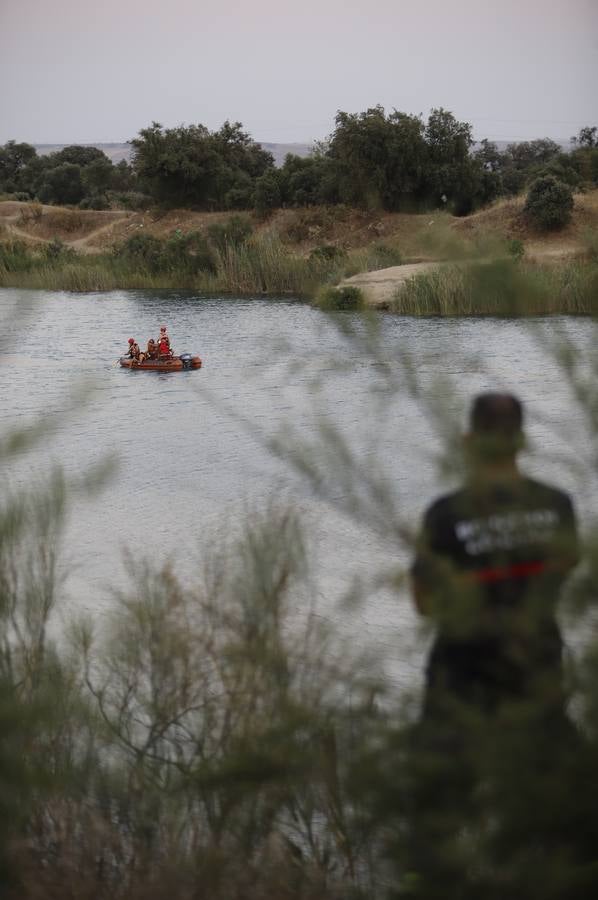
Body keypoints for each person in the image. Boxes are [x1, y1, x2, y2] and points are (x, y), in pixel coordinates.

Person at [411, 392, 579, 721]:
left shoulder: (445, 514)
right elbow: (562, 576)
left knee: (438, 769)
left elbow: (424, 603)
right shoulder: (557, 505)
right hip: (536, 664)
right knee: (542, 767)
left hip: (460, 674)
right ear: (520, 441)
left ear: (470, 441)